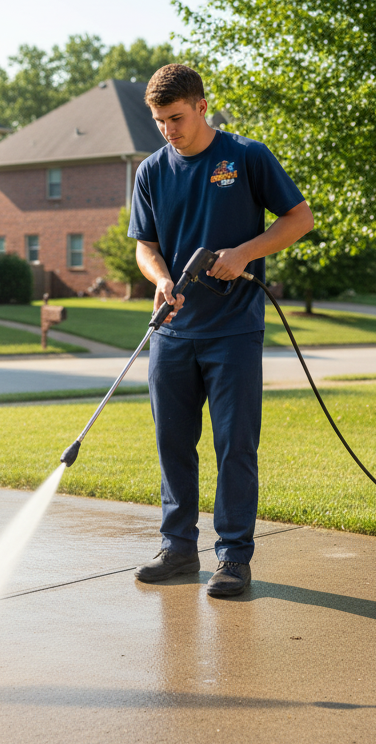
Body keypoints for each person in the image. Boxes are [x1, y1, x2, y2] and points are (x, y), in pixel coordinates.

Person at [128, 64, 314, 595]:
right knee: (172, 444)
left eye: (177, 118)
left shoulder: (246, 157)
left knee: (235, 445)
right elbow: (145, 246)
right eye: (160, 121)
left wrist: (245, 254)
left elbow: (299, 219)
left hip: (233, 331)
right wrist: (161, 278)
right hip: (171, 332)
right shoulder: (151, 171)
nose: (168, 130)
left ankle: (233, 558)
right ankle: (179, 550)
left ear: (202, 107)